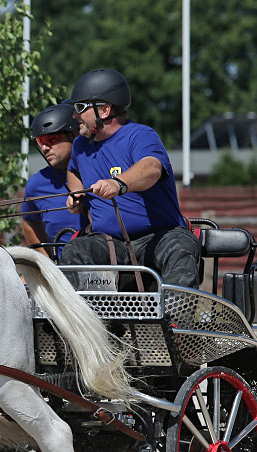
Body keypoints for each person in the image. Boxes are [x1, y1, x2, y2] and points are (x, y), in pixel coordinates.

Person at [61, 69, 200, 288]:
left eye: (80, 108)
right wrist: (76, 193)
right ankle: (82, 322)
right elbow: (73, 171)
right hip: (110, 243)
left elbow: (151, 168)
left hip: (159, 238)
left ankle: (176, 320)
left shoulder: (140, 135)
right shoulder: (80, 146)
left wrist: (118, 184)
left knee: (180, 246)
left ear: (105, 110)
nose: (75, 115)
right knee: (76, 250)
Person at [21, 103, 88, 259]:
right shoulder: (36, 184)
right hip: (65, 272)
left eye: (51, 139)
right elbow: (29, 222)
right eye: (40, 142)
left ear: (75, 136)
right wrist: (48, 264)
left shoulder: (98, 170)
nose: (45, 148)